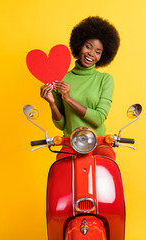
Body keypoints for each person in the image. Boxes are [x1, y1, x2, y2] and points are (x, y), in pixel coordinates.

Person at [40, 16, 120, 159]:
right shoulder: (62, 78)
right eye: (88, 46)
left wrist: (68, 98)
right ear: (79, 45)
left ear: (103, 55)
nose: (91, 54)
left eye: (98, 51)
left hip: (99, 143)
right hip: (70, 144)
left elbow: (98, 118)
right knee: (60, 169)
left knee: (107, 165)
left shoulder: (105, 80)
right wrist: (51, 103)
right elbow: (62, 124)